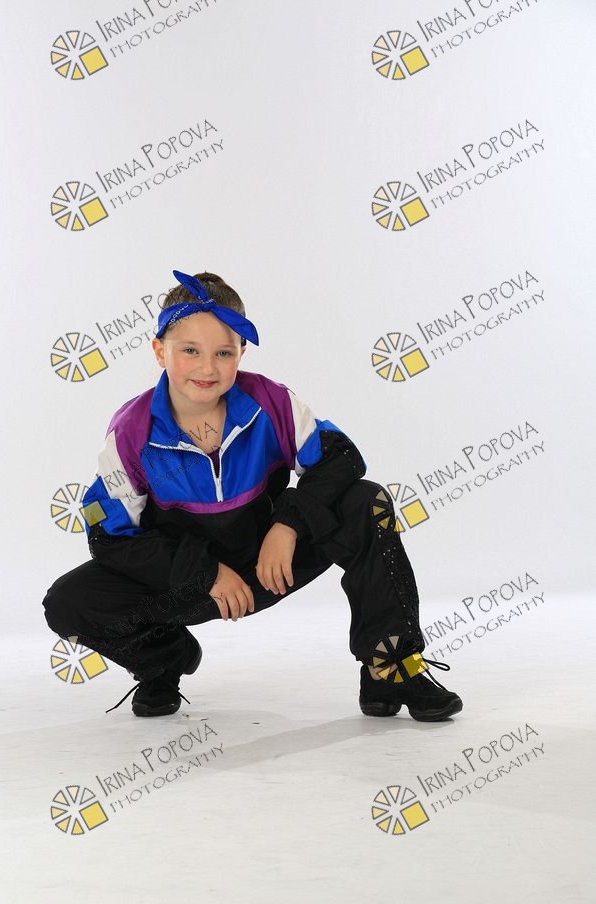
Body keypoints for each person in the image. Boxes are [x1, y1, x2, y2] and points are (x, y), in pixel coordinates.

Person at [42, 269, 463, 723]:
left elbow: (342, 457)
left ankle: (390, 666)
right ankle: (161, 661)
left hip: (271, 564)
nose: (207, 368)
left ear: (241, 352)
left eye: (223, 353)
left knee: (367, 503)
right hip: (188, 581)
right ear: (160, 351)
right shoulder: (131, 433)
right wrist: (205, 573)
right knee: (69, 601)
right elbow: (108, 537)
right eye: (189, 351)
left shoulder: (271, 402)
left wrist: (288, 525)